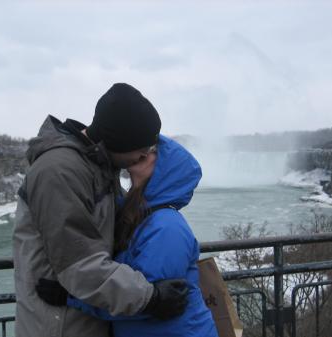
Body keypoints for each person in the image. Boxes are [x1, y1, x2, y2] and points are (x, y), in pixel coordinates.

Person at [13, 83, 189, 337]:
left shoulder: (99, 168)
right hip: (58, 325)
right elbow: (81, 265)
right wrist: (151, 297)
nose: (142, 157)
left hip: (82, 318)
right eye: (141, 150)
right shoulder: (60, 171)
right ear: (119, 141)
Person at [66, 135, 219, 337]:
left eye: (153, 151)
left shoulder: (166, 227)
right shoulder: (138, 216)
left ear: (167, 169)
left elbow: (146, 303)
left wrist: (71, 297)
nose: (144, 153)